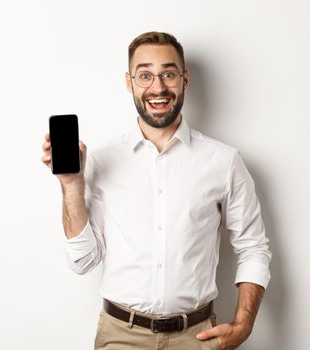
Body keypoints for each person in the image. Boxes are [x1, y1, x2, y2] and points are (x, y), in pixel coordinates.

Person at [41, 31, 271, 350]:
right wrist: (71, 186)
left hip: (197, 337)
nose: (158, 87)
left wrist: (244, 325)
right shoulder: (99, 161)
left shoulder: (224, 161)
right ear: (129, 81)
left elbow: (253, 247)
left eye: (168, 74)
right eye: (145, 75)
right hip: (121, 337)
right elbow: (82, 262)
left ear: (184, 78)